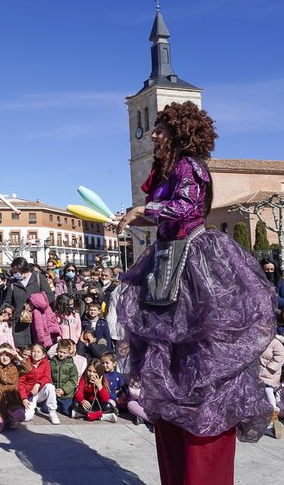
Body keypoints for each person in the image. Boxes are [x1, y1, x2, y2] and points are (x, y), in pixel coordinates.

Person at [115, 101, 276, 485]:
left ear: (180, 134)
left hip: (194, 263)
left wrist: (144, 210)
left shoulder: (191, 165)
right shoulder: (166, 169)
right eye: (153, 129)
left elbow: (186, 207)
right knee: (169, 356)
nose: (154, 135)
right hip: (167, 263)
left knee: (203, 355)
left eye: (162, 130)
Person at [3, 257, 54, 349]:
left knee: (38, 351)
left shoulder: (39, 278)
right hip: (20, 325)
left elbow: (50, 296)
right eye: (13, 272)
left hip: (38, 323)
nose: (14, 274)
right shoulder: (12, 283)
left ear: (23, 269)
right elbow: (7, 301)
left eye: (16, 272)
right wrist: (1, 312)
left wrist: (34, 304)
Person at [0, 344, 31, 432]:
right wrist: (3, 349)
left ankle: (11, 417)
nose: (5, 357)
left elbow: (28, 368)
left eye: (8, 355)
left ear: (11, 356)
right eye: (3, 355)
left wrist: (17, 355)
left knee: (20, 416)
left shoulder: (16, 367)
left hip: (13, 401)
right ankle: (4, 418)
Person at [20, 343, 59, 424]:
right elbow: (21, 382)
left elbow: (47, 377)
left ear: (43, 354)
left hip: (40, 392)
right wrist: (24, 398)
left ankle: (52, 412)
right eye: (34, 351)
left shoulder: (46, 363)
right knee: (26, 418)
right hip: (29, 394)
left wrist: (38, 384)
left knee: (50, 387)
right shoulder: (26, 364)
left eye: (38, 352)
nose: (35, 354)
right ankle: (33, 407)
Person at [72, 358, 117, 423]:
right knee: (75, 404)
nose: (91, 374)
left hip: (98, 404)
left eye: (94, 372)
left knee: (108, 406)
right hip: (87, 404)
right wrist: (82, 401)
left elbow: (105, 399)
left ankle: (84, 415)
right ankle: (101, 416)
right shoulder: (84, 378)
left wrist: (99, 386)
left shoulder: (103, 380)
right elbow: (79, 392)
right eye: (89, 371)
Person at [259, 337, 284, 439]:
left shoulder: (276, 343)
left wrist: (268, 370)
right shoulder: (260, 341)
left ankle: (273, 415)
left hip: (270, 374)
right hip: (260, 373)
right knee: (260, 394)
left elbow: (280, 357)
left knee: (268, 390)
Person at [49, 339, 79, 416]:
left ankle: (61, 405)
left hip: (66, 394)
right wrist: (53, 390)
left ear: (69, 352)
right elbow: (49, 376)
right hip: (54, 392)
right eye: (60, 352)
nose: (61, 354)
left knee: (67, 411)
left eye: (64, 353)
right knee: (45, 409)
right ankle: (57, 405)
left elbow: (73, 380)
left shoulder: (71, 365)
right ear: (57, 350)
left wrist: (63, 390)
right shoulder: (51, 362)